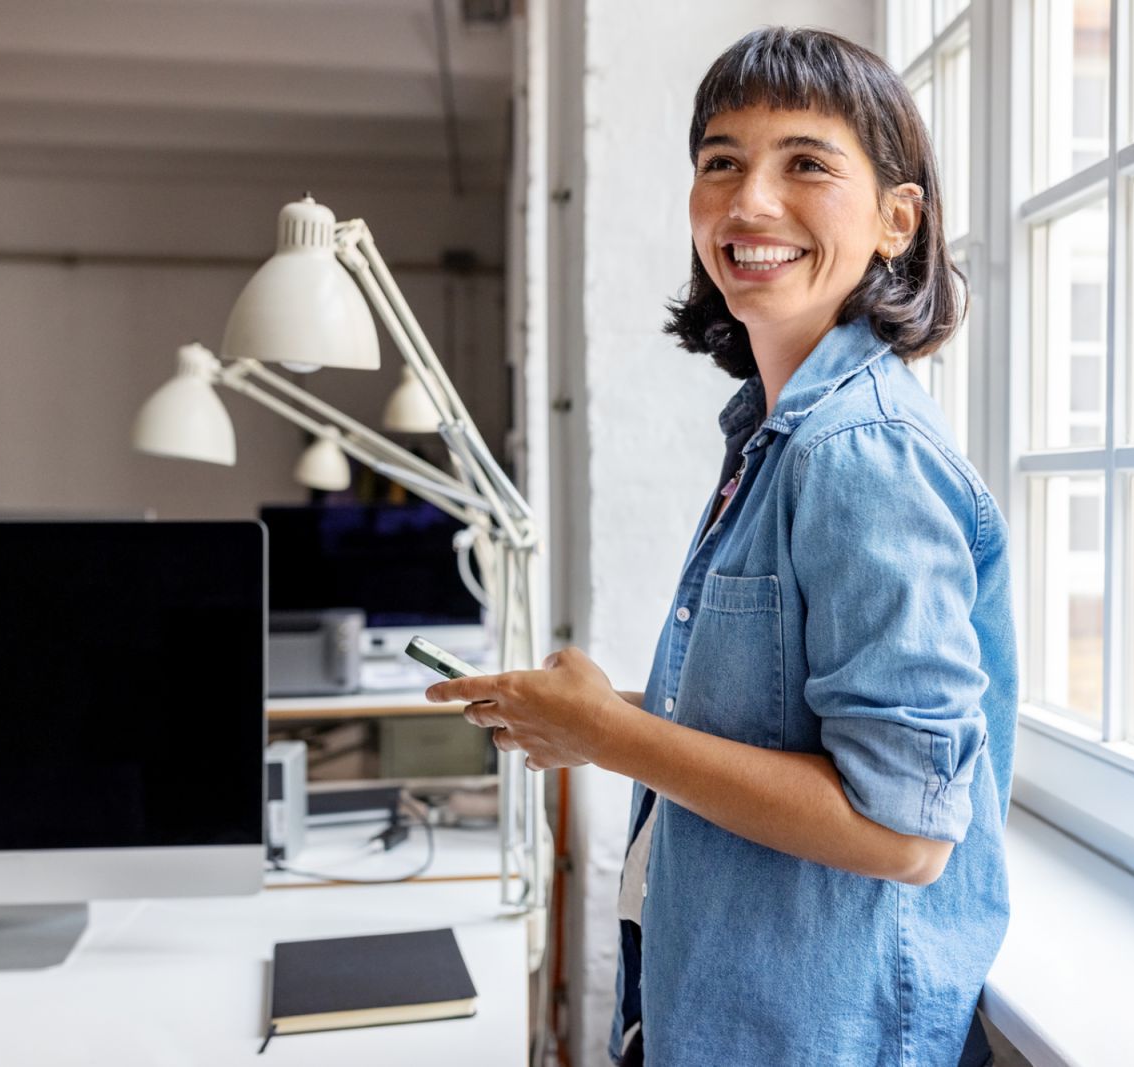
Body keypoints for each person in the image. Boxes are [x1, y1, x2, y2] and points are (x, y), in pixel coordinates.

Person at [427, 26, 1016, 1067]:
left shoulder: (861, 453)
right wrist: (592, 723)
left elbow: (906, 834)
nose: (748, 203)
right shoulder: (776, 433)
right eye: (720, 162)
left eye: (805, 162)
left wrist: (608, 731)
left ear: (896, 218)